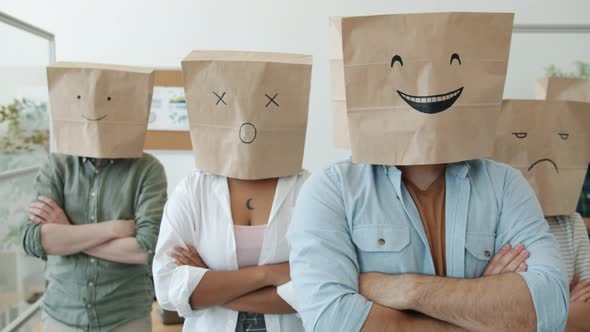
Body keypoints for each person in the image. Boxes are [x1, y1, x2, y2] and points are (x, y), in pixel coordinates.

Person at [288, 13, 568, 332]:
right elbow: (330, 321)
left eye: (454, 62)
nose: (427, 83)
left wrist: (407, 290)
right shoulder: (330, 189)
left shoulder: (506, 185)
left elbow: (547, 308)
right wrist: (480, 313)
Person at [153, 50, 312, 331]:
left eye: (269, 103)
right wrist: (270, 274)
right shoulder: (193, 190)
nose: (247, 125)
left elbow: (316, 288)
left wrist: (211, 284)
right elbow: (167, 288)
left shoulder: (308, 190)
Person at [21, 62, 167, 332]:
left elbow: (147, 248)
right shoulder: (57, 166)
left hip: (126, 317)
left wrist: (67, 233)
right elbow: (33, 239)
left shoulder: (148, 170)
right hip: (60, 316)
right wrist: (112, 229)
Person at [493, 99, 590, 331]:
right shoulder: (487, 222)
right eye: (520, 136)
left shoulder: (570, 223)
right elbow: (479, 311)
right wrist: (562, 301)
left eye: (563, 137)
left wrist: (510, 305)